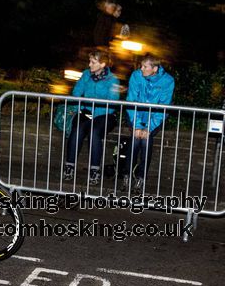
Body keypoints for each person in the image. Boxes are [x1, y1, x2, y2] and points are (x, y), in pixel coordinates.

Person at [63, 50, 120, 185]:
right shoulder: (86, 74)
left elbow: (112, 103)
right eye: (89, 61)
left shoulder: (113, 80)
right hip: (87, 111)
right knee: (78, 129)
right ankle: (69, 167)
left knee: (94, 132)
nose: (89, 64)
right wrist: (82, 107)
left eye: (93, 62)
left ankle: (95, 170)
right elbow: (76, 92)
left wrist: (93, 108)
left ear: (102, 64)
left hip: (105, 114)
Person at [121, 54, 175, 193]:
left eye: (145, 67)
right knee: (135, 138)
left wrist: (149, 127)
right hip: (135, 115)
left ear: (155, 68)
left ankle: (140, 178)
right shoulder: (136, 76)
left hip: (154, 118)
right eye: (141, 66)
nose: (141, 69)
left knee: (145, 140)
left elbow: (163, 107)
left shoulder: (167, 81)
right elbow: (131, 100)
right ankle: (127, 175)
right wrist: (137, 125)